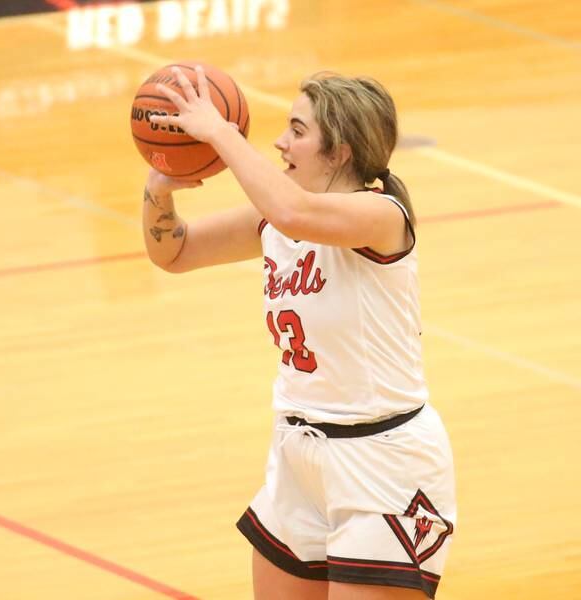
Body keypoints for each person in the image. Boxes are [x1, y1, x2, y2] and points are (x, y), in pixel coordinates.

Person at [141, 67, 456, 600]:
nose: (280, 142)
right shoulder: (276, 219)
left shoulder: (380, 214)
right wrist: (159, 189)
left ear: (339, 152)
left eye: (297, 130)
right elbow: (175, 251)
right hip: (297, 453)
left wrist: (218, 132)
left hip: (382, 461)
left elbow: (294, 211)